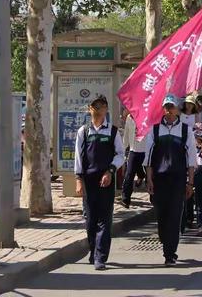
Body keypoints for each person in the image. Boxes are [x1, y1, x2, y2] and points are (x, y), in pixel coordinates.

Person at [144, 94, 197, 266]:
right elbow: (149, 158)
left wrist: (190, 182)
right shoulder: (155, 130)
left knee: (175, 215)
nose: (169, 110)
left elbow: (191, 158)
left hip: (178, 179)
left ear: (177, 109)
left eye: (171, 107)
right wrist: (149, 179)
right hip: (159, 179)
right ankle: (165, 240)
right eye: (166, 106)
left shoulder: (185, 131)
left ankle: (170, 253)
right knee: (161, 215)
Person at [74, 95, 125, 271]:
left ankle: (100, 257)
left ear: (106, 110)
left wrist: (110, 170)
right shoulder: (84, 131)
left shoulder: (112, 131)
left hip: (106, 181)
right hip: (89, 181)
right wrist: (79, 180)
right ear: (90, 109)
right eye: (95, 106)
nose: (98, 109)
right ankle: (93, 250)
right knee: (90, 220)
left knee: (105, 219)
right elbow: (79, 158)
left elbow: (120, 155)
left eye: (102, 106)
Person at [121, 112, 147, 208]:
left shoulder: (146, 116)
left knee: (150, 175)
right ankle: (126, 198)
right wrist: (124, 149)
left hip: (145, 149)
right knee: (129, 173)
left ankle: (154, 197)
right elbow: (127, 134)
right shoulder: (129, 118)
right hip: (133, 150)